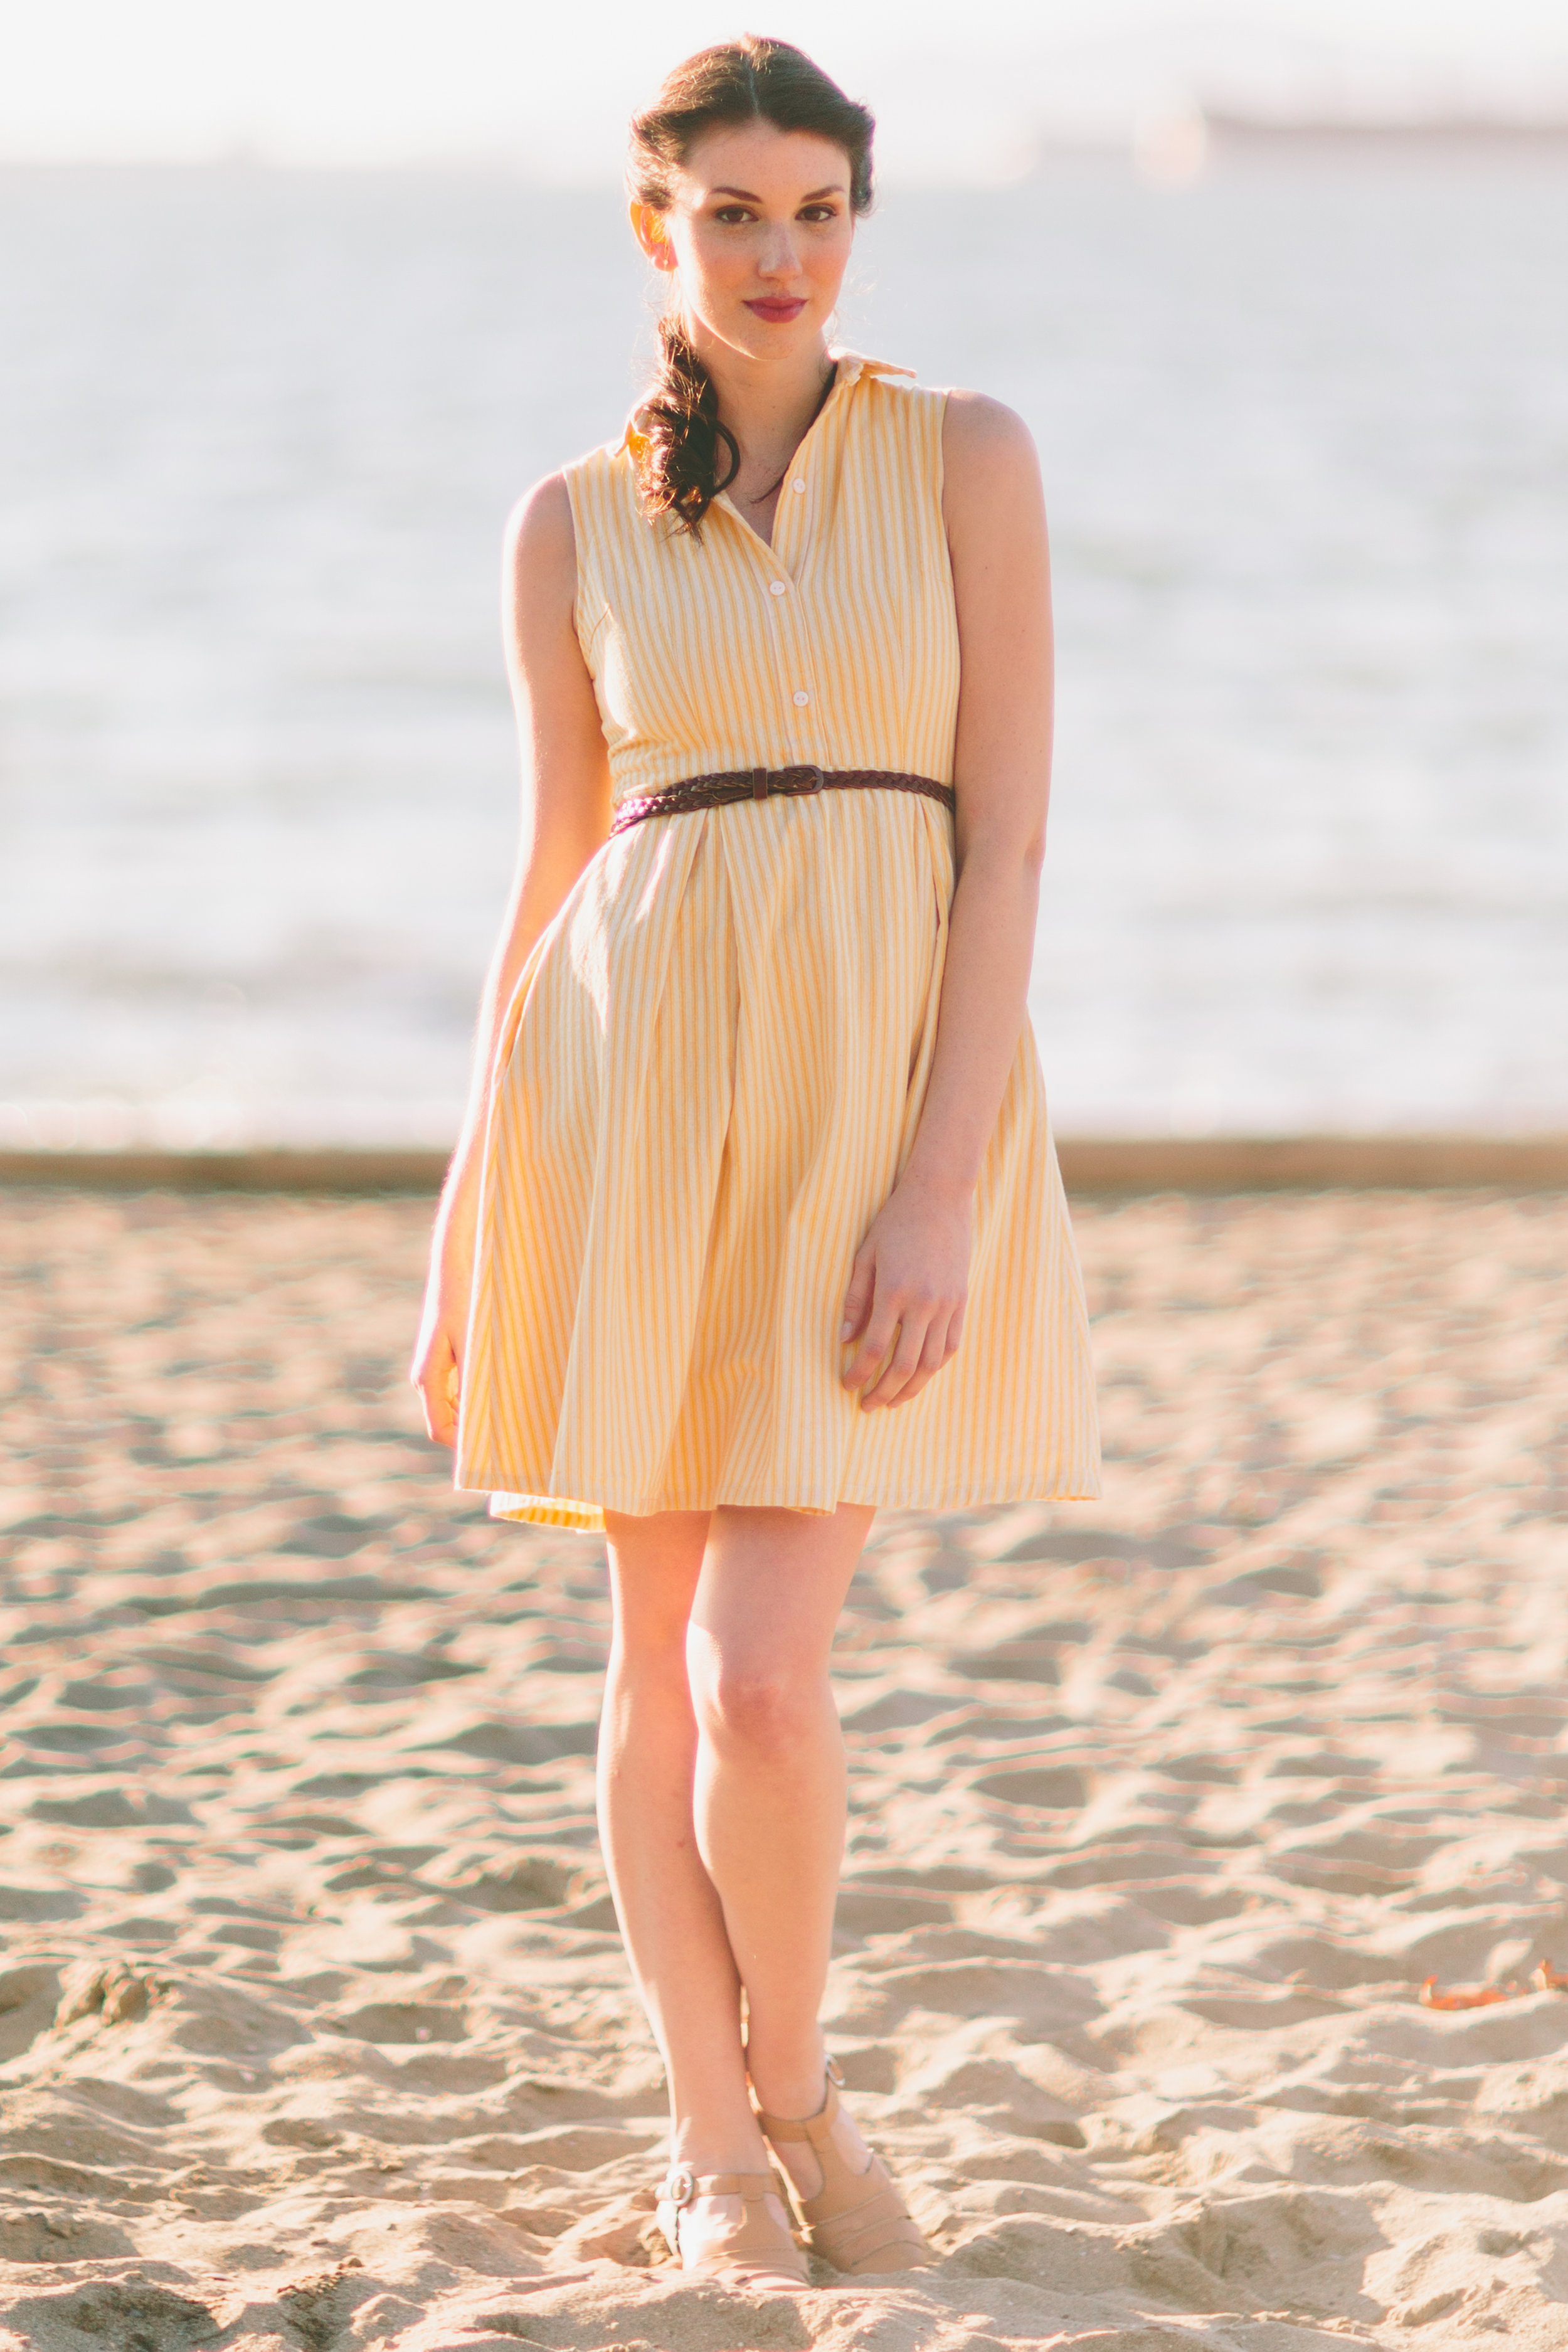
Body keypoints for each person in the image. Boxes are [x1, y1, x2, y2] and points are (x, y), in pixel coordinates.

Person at [411, 34, 1099, 2292]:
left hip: (863, 1110)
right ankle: (712, 2145)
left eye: (814, 210)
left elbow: (999, 850)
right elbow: (546, 870)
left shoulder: (965, 456)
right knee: (653, 1664)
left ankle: (790, 2077)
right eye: (732, 213)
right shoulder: (570, 519)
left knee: (768, 1680)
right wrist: (457, 1215)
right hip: (618, 1100)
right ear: (656, 230)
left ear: (855, 223)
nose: (778, 253)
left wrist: (938, 1182)